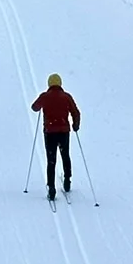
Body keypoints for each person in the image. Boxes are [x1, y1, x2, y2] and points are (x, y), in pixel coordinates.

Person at [31, 73, 80, 201]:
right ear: (60, 84)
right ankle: (67, 179)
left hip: (50, 132)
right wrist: (75, 125)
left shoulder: (45, 97)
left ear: (49, 84)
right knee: (65, 155)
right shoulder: (66, 97)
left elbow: (34, 107)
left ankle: (51, 188)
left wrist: (43, 105)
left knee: (51, 160)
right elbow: (76, 112)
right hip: (64, 131)